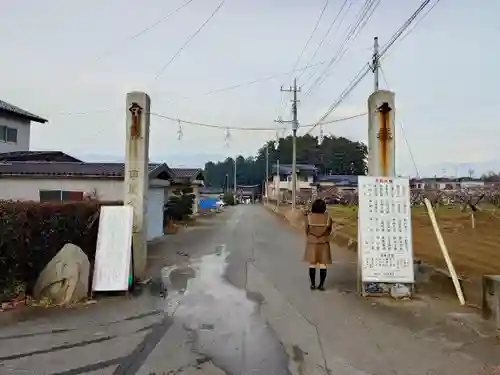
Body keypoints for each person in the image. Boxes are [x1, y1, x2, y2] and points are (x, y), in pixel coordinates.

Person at [303, 198, 333, 291]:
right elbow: (329, 230)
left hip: (312, 242)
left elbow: (306, 230)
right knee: (323, 264)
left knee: (312, 263)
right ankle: (321, 285)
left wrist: (310, 237)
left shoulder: (309, 217)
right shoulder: (328, 218)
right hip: (323, 242)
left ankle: (312, 284)